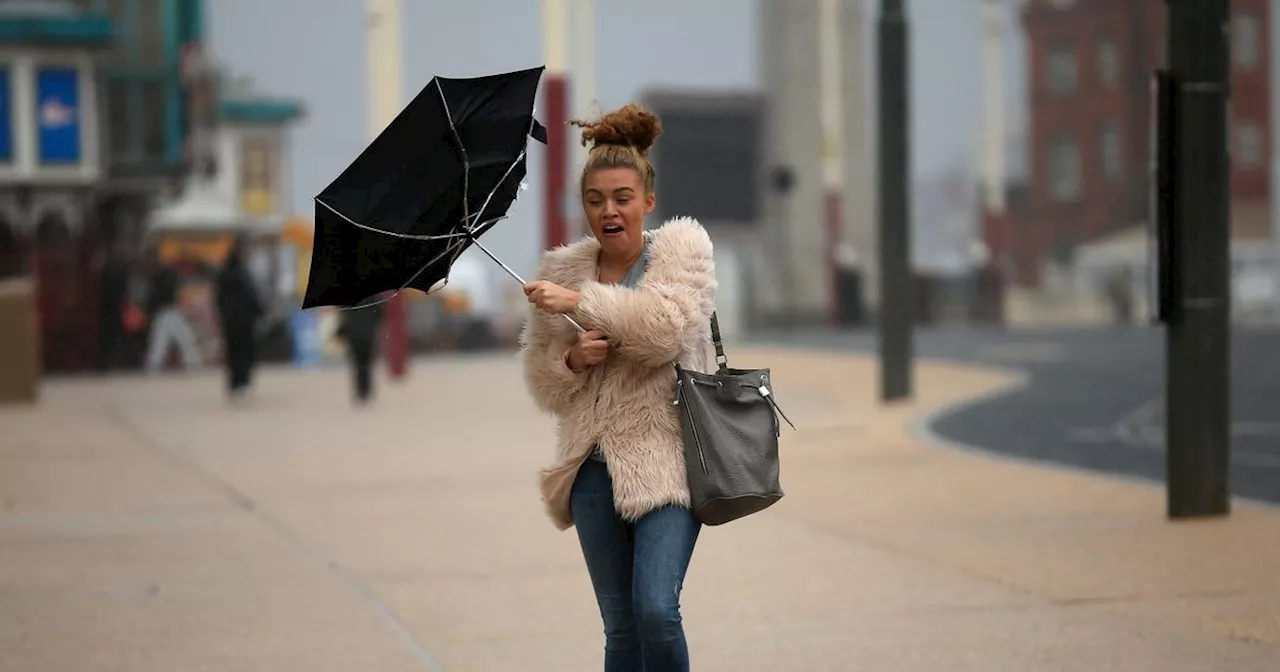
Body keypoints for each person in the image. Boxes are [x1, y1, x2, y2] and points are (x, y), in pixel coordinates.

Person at [519, 103, 717, 671]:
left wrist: (582, 303)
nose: (609, 211)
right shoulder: (561, 271)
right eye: (596, 200)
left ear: (647, 202)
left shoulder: (683, 250)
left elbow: (665, 331)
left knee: (657, 609)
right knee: (621, 630)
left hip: (670, 464)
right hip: (590, 470)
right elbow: (542, 382)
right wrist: (573, 360)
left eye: (622, 198)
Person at [214, 235, 264, 399]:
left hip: (238, 319)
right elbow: (249, 296)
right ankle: (239, 382)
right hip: (239, 320)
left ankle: (240, 382)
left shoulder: (237, 271)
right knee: (240, 352)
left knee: (239, 352)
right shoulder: (237, 272)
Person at [143, 248, 203, 373]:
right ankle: (155, 364)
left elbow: (156, 296)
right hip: (166, 311)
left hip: (168, 310)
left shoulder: (161, 274)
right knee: (169, 339)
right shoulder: (162, 275)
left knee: (172, 339)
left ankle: (154, 364)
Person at [336, 302, 383, 405]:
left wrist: (340, 331)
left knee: (358, 365)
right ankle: (366, 390)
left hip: (355, 336)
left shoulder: (347, 298)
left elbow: (344, 315)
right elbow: (380, 313)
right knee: (367, 364)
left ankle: (361, 391)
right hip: (368, 334)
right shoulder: (372, 295)